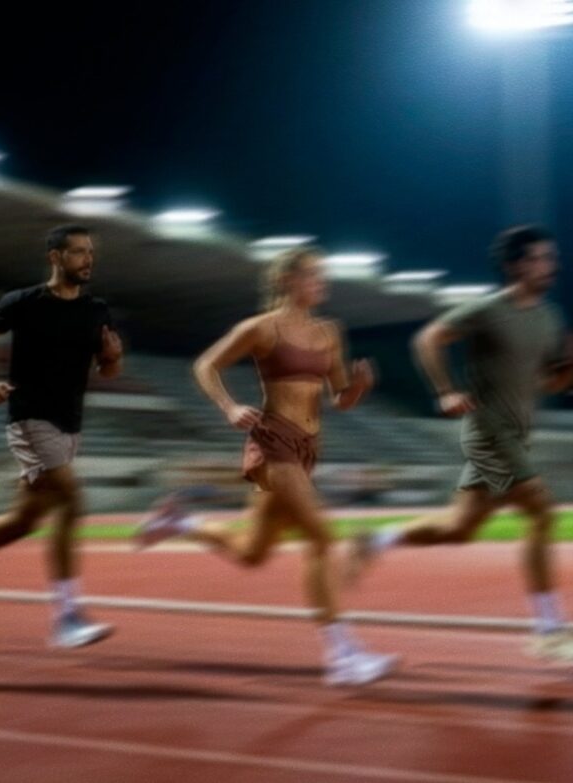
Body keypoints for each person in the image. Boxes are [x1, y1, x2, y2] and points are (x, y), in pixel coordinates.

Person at [136, 247, 398, 686]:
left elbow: (340, 398)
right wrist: (228, 406)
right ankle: (343, 656)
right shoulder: (260, 328)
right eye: (314, 275)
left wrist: (360, 388)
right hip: (273, 443)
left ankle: (180, 524)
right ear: (289, 280)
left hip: (308, 448)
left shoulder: (329, 332)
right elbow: (206, 365)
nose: (323, 283)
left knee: (252, 552)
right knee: (322, 537)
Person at [348, 225, 573, 660]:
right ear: (515, 265)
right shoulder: (487, 310)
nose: (552, 264)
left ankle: (374, 539)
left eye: (552, 257)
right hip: (490, 431)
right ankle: (548, 628)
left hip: (517, 435)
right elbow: (428, 339)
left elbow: (548, 381)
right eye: (542, 257)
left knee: (459, 529)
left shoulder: (549, 319)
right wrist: (446, 389)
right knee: (542, 512)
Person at [0, 224, 122, 648]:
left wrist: (112, 359)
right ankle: (66, 617)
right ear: (56, 257)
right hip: (29, 418)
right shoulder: (23, 302)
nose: (88, 259)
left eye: (90, 252)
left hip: (70, 422)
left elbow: (108, 369)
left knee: (26, 519)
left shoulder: (97, 310)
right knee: (72, 503)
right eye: (78, 252)